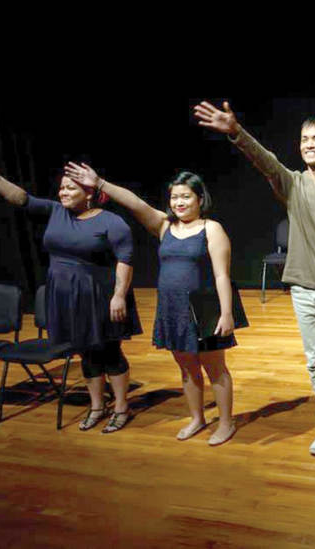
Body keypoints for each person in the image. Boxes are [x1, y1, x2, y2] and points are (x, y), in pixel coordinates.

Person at [194, 101, 315, 458]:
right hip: (303, 290)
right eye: (304, 139)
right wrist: (236, 132)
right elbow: (266, 161)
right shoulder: (293, 184)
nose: (308, 144)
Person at [0, 153, 142, 433]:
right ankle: (96, 406)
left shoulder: (112, 222)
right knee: (85, 352)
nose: (63, 192)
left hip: (98, 295)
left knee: (108, 351)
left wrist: (119, 295)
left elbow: (125, 260)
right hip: (66, 295)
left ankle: (121, 407)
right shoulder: (56, 211)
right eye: (62, 188)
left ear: (90, 193)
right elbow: (21, 199)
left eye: (71, 188)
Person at [64, 163, 238, 446]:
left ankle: (227, 423)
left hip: (205, 310)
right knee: (186, 369)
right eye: (174, 197)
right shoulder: (164, 226)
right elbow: (135, 203)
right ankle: (197, 418)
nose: (179, 202)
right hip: (172, 309)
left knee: (215, 369)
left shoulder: (212, 229)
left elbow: (222, 275)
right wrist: (100, 184)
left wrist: (227, 313)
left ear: (199, 199)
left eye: (185, 197)